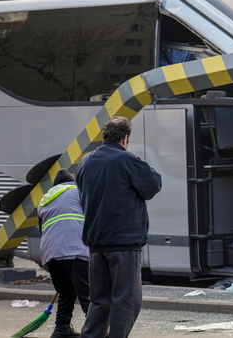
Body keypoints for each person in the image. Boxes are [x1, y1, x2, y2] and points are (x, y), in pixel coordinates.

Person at [76, 116, 162, 338]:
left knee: (99, 301)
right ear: (125, 138)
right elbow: (154, 184)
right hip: (124, 244)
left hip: (96, 244)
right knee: (126, 300)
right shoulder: (126, 160)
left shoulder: (85, 162)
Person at [37, 169, 90, 338]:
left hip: (51, 252)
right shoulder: (78, 191)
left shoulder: (44, 200)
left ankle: (61, 328)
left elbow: (42, 230)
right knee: (87, 292)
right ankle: (97, 330)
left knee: (66, 291)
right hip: (75, 248)